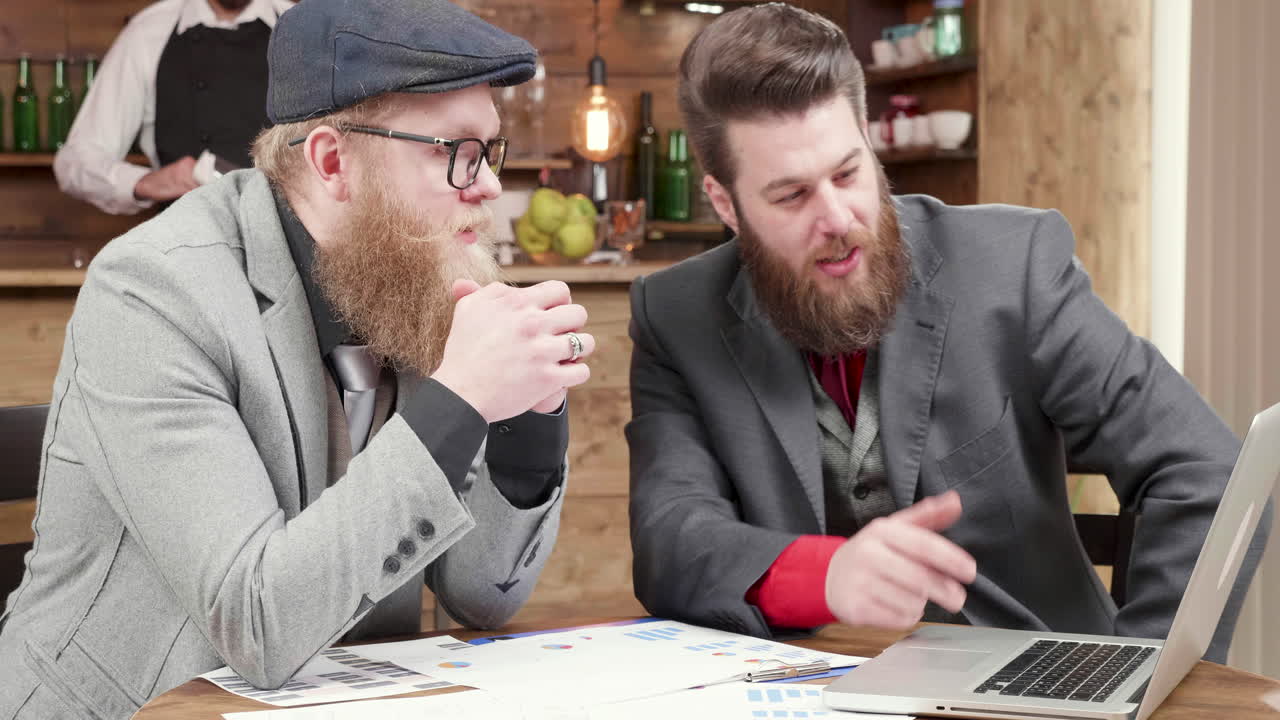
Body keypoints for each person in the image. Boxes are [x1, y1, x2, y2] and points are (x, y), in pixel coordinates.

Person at [0, 0, 593, 716]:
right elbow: (256, 623)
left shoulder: (416, 274)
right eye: (457, 152)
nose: (490, 187)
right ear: (332, 160)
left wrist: (528, 419)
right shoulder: (152, 292)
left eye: (490, 151)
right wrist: (459, 399)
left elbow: (483, 598)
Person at [627, 3, 1269, 664]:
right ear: (726, 202)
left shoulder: (1014, 265)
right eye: (790, 196)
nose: (838, 217)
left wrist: (1140, 680)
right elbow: (672, 541)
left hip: (1032, 693)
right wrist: (827, 576)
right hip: (808, 694)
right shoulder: (675, 315)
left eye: (849, 173)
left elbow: (1203, 468)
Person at [54, 0, 294, 215]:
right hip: (185, 249)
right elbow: (75, 160)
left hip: (291, 251)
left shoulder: (303, 29)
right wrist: (144, 182)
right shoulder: (148, 32)